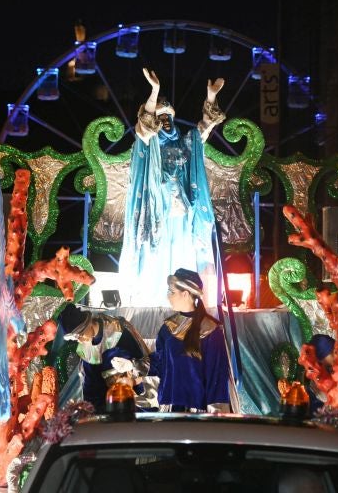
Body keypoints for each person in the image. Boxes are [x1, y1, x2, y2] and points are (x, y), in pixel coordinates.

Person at [118, 68, 226, 306]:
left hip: (182, 213)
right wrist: (154, 92)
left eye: (168, 117)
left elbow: (204, 129)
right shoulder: (148, 144)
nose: (165, 122)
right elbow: (144, 128)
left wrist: (210, 97)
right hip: (157, 213)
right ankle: (155, 298)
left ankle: (184, 302)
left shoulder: (186, 143)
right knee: (157, 255)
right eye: (160, 117)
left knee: (182, 253)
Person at [112, 268, 232, 412]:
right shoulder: (168, 327)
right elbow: (161, 362)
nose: (168, 296)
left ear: (185, 293)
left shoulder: (211, 329)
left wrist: (216, 415)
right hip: (169, 407)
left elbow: (216, 376)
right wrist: (132, 365)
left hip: (198, 411)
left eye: (172, 292)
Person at [58, 302, 156, 412]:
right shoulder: (85, 349)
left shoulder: (118, 330)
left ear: (88, 323)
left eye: (80, 335)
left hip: (136, 392)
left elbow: (143, 359)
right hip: (111, 399)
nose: (80, 340)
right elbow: (91, 385)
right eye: (76, 339)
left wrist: (133, 382)